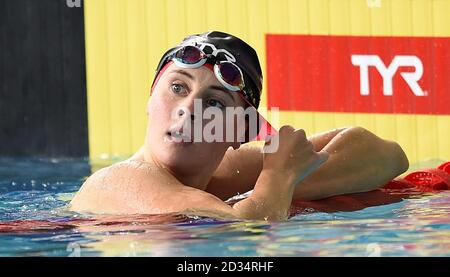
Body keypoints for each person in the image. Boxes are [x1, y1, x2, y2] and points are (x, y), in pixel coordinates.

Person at [70, 31, 409, 220]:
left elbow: (388, 156)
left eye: (214, 102)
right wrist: (278, 178)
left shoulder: (224, 174)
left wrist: (282, 181)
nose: (189, 109)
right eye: (178, 88)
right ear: (149, 98)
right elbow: (245, 229)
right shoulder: (119, 181)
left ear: (240, 131)